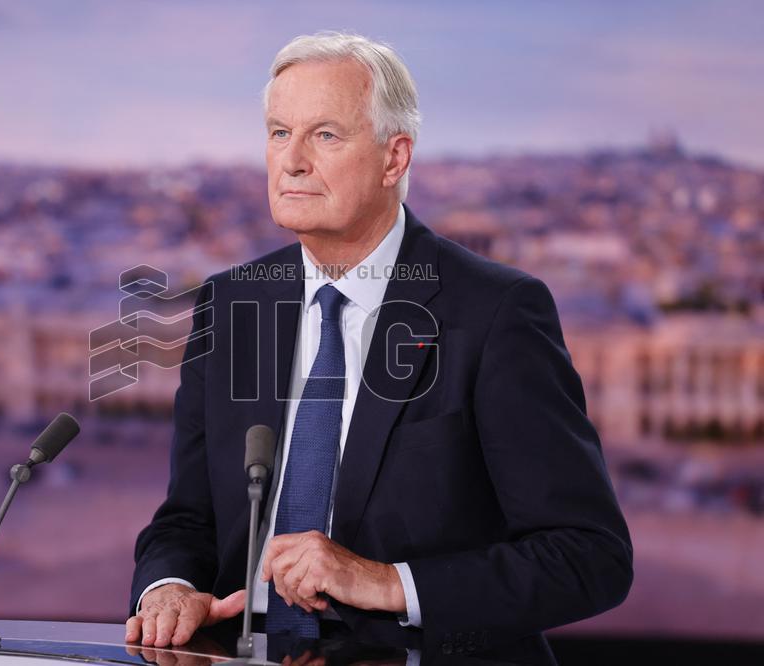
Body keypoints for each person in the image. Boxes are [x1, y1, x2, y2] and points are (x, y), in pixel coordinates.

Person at [126, 31, 632, 663]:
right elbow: (187, 518)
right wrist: (169, 587)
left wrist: (387, 582)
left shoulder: (495, 311)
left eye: (325, 135)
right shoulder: (232, 305)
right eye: (279, 133)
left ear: (395, 158)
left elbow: (589, 555)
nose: (293, 161)